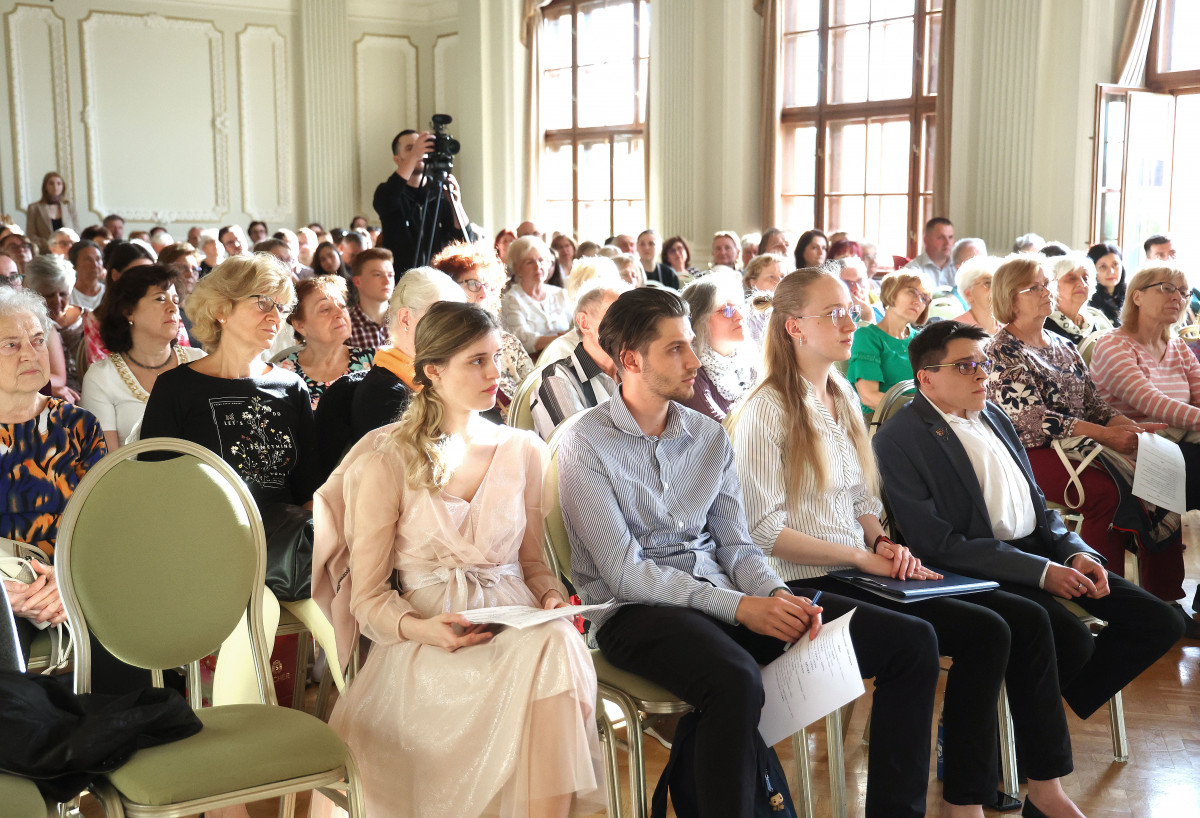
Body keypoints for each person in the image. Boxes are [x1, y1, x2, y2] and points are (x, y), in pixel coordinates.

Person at [557, 287, 939, 818]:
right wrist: (740, 607)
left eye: (691, 345)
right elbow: (624, 572)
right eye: (675, 349)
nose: (694, 361)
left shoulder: (707, 436)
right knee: (735, 679)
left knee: (911, 642)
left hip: (723, 595)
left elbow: (737, 545)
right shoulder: (586, 442)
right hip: (634, 612)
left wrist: (778, 595)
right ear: (631, 360)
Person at [729, 269, 1089, 818]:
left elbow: (859, 496)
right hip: (799, 583)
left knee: (997, 627)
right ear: (794, 327)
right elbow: (763, 532)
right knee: (915, 643)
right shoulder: (766, 409)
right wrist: (860, 554)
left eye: (851, 310)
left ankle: (973, 798)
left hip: (855, 568)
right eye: (834, 313)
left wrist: (880, 540)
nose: (851, 322)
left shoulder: (839, 393)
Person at [312, 301, 605, 817]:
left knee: (558, 644)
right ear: (433, 370)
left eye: (496, 358)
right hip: (427, 632)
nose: (496, 374)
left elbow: (534, 565)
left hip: (515, 623)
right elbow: (369, 598)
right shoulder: (386, 459)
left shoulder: (524, 450)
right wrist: (426, 630)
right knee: (554, 653)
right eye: (477, 361)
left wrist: (551, 597)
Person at [873, 320, 1183, 750]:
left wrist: (1076, 553)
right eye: (965, 366)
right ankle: (1018, 736)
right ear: (927, 378)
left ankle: (1022, 720)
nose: (982, 374)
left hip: (1041, 551)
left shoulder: (995, 415)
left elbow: (1040, 507)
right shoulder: (899, 438)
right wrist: (1042, 573)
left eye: (982, 363)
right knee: (1070, 640)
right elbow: (936, 544)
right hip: (976, 566)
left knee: (1159, 621)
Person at [985, 256, 1188, 625]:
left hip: (1080, 444)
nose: (1047, 292)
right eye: (1035, 287)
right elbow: (1031, 420)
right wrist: (1106, 434)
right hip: (1027, 452)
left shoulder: (1063, 344)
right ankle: (1102, 602)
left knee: (1160, 479)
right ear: (1010, 298)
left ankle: (1164, 599)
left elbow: (1095, 404)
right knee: (1107, 495)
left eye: (1047, 284)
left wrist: (1127, 427)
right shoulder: (1001, 350)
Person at [0, 287, 131, 688]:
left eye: (38, 340)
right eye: (11, 344)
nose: (31, 354)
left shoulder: (78, 425)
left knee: (124, 632)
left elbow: (104, 521)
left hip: (72, 578)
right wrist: (6, 593)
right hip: (4, 588)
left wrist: (66, 581)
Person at [317, 267, 466, 469]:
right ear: (405, 319)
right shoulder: (383, 395)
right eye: (441, 318)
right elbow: (412, 474)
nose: (454, 330)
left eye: (457, 320)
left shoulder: (440, 378)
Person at [1091, 263, 1200, 527]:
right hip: (1135, 450)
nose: (1177, 297)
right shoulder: (1112, 344)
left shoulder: (1178, 347)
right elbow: (1153, 403)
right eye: (1167, 288)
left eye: (1183, 292)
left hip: (1179, 442)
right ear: (1137, 296)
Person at [80, 264, 205, 450]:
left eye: (176, 300)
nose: (173, 308)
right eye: (160, 299)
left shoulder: (200, 362)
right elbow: (108, 462)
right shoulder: (102, 377)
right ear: (129, 311)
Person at [431, 241, 534, 419]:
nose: (484, 294)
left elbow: (536, 389)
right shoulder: (442, 346)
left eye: (489, 286)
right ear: (448, 287)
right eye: (473, 284)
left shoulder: (508, 342)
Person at [530, 281, 626, 439]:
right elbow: (579, 447)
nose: (631, 326)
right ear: (584, 323)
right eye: (619, 316)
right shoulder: (557, 378)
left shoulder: (635, 372)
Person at [374, 129, 472, 270]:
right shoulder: (387, 191)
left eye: (421, 147)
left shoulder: (440, 191)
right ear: (397, 159)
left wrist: (455, 203)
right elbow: (387, 199)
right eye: (410, 148)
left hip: (437, 276)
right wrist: (414, 155)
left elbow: (464, 240)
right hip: (403, 276)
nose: (419, 152)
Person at [276, 276, 373, 410]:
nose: (340, 313)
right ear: (300, 325)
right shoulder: (283, 375)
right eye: (325, 309)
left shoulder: (374, 363)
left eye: (342, 306)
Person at [679, 269, 758, 421]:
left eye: (739, 307)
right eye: (727, 310)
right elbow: (718, 426)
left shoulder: (749, 363)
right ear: (699, 321)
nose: (739, 316)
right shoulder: (692, 371)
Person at [847, 271, 929, 413]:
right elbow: (869, 397)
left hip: (920, 417)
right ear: (891, 292)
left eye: (924, 298)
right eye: (912, 292)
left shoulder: (922, 340)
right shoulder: (867, 337)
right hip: (881, 419)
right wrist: (920, 413)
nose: (918, 301)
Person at [24, 254, 84, 394]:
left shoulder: (89, 320)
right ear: (33, 294)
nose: (57, 302)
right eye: (49, 295)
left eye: (63, 294)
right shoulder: (27, 324)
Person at [501, 236, 571, 355]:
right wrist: (562, 339)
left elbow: (575, 329)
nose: (538, 266)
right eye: (530, 262)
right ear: (517, 269)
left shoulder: (560, 294)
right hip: (533, 362)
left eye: (541, 260)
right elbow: (521, 339)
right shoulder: (511, 299)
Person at [1043, 253, 1114, 345]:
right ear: (1052, 284)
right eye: (1071, 279)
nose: (1082, 284)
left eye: (1085, 278)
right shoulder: (1045, 326)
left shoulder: (1092, 324)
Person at [347, 248, 395, 351]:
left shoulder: (405, 320)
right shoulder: (345, 324)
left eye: (390, 275)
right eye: (377, 274)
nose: (387, 281)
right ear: (357, 281)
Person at [25, 172, 79, 253]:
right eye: (51, 183)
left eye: (59, 183)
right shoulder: (34, 208)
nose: (55, 187)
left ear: (63, 187)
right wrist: (52, 245)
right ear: (45, 186)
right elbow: (31, 235)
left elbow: (77, 230)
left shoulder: (69, 207)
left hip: (69, 251)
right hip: (45, 252)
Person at [951, 255, 1000, 333]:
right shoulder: (955, 329)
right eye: (988, 283)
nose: (996, 289)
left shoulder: (1010, 327)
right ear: (968, 294)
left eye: (998, 283)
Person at [905, 217, 956, 290]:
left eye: (950, 237)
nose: (948, 243)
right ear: (926, 240)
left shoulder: (960, 267)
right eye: (941, 237)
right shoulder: (912, 270)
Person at [1086, 242, 1125, 326]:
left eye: (1115, 265)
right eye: (1103, 267)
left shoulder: (1130, 295)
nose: (1111, 272)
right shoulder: (1088, 303)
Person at [838, 255, 881, 322]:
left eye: (860, 281)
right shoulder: (837, 317)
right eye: (849, 284)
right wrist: (867, 315)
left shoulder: (878, 307)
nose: (857, 288)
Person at [68, 240, 106, 311]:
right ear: (75, 265)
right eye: (88, 260)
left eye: (98, 259)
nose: (95, 265)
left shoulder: (109, 293)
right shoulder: (67, 295)